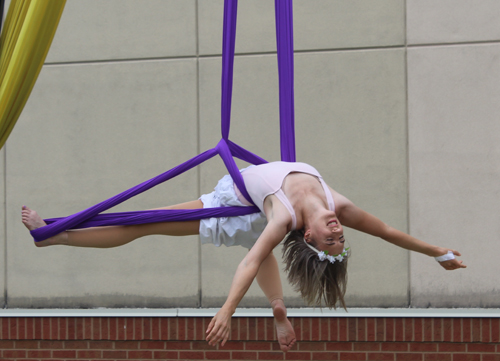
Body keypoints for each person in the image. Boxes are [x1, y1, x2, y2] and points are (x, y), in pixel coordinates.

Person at [22, 161, 466, 352]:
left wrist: (227, 309)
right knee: (261, 248)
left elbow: (250, 262)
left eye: (330, 240)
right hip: (251, 210)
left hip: (230, 211)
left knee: (143, 224)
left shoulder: (285, 218)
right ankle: (279, 311)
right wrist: (439, 252)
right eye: (340, 238)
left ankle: (52, 237)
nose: (338, 231)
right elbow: (389, 232)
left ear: (307, 236)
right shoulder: (336, 206)